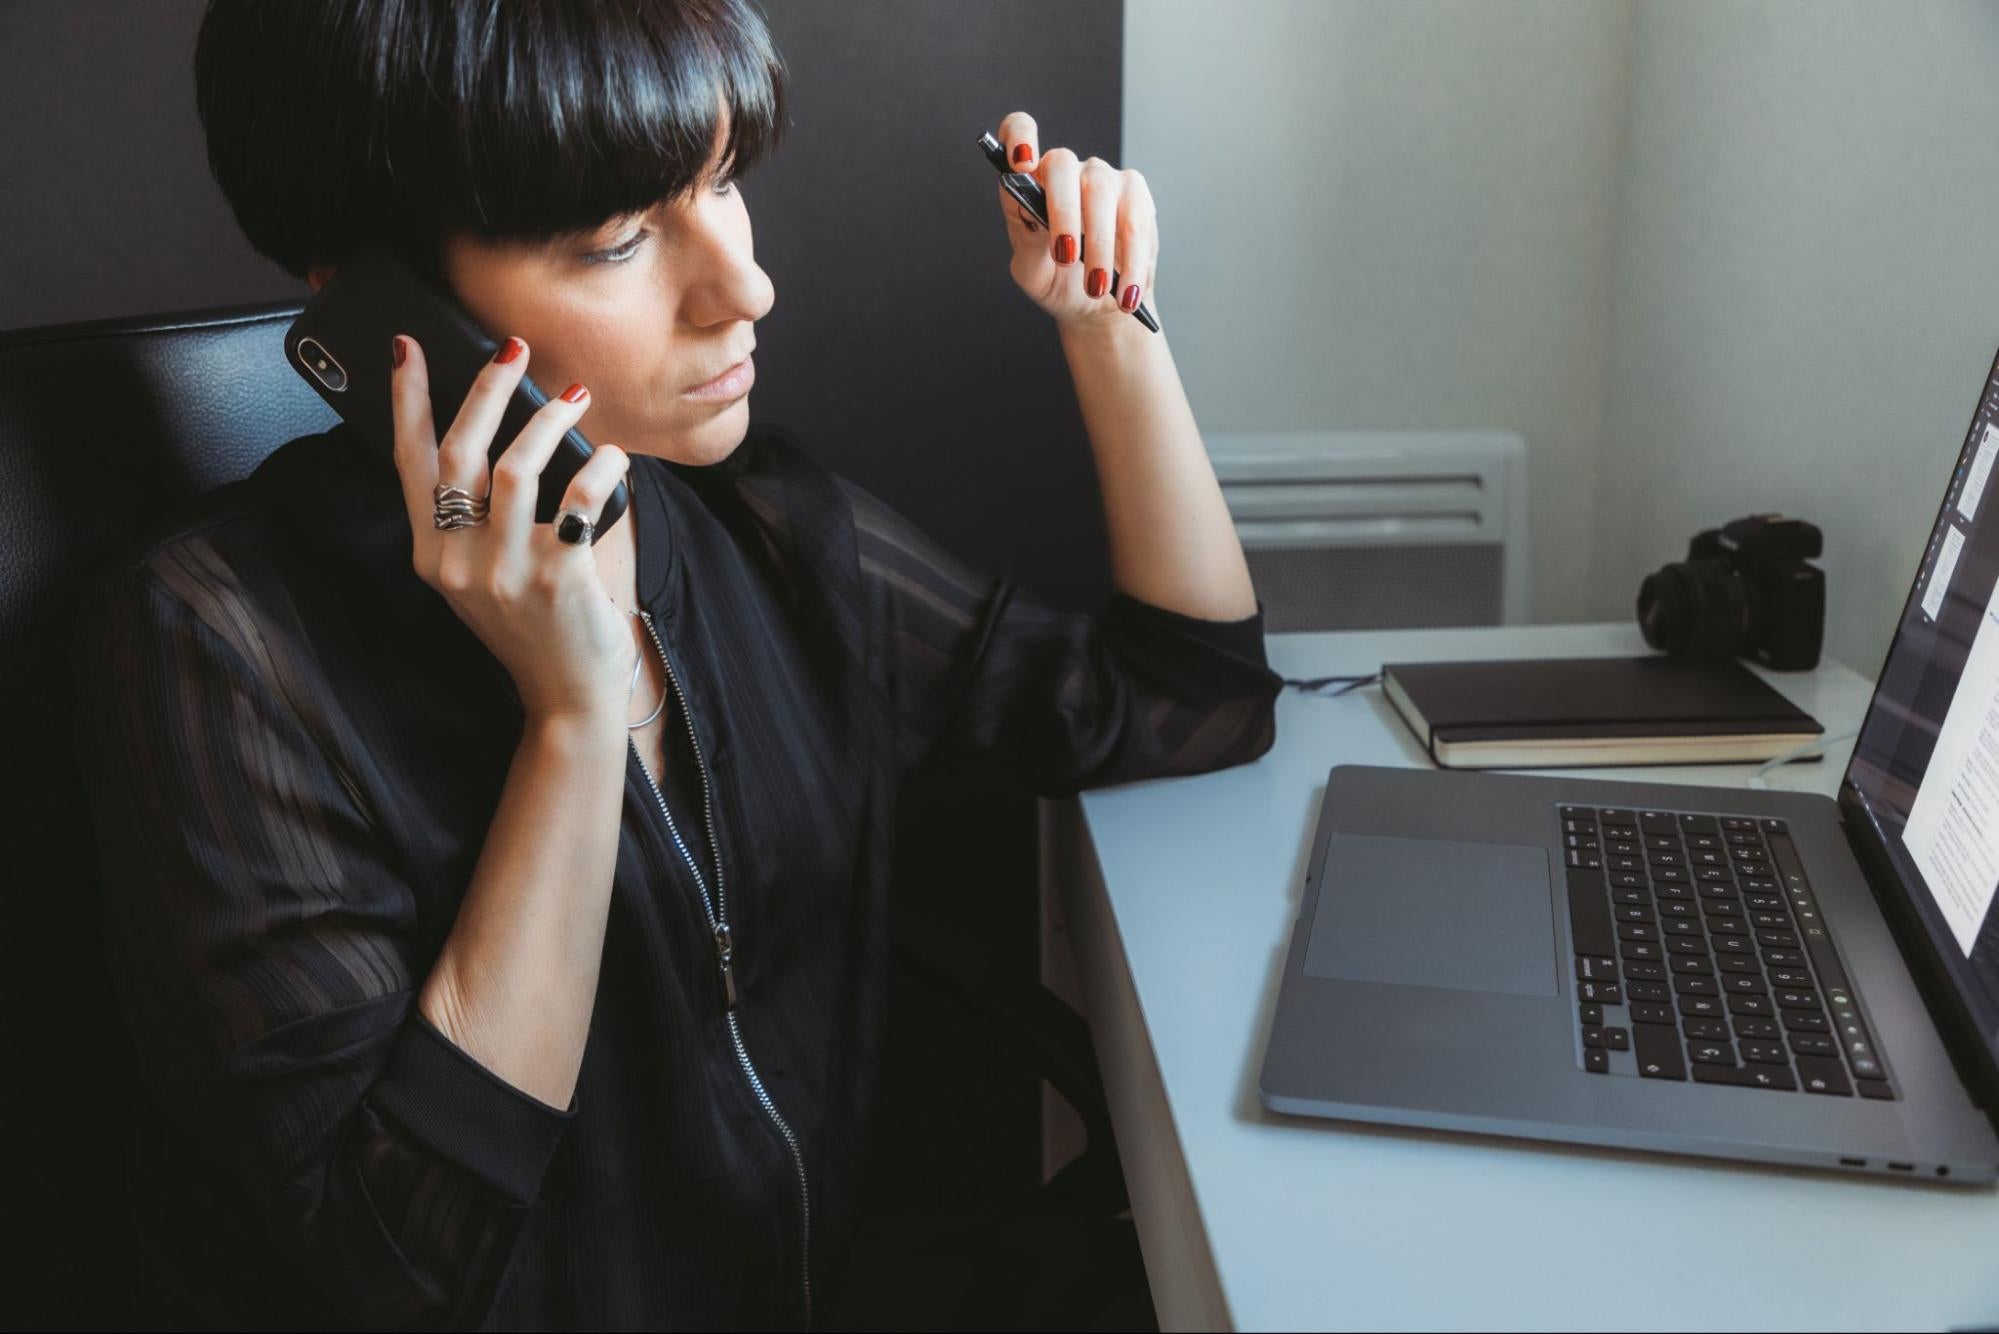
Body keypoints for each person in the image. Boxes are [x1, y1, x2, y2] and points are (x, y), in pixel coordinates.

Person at [70, 1, 1283, 1328]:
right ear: (379, 305)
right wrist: (573, 722)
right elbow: (392, 1276)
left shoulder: (760, 527)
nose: (742, 287)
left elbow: (1186, 703)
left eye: (720, 188)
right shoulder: (218, 643)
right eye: (621, 240)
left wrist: (1108, 326)